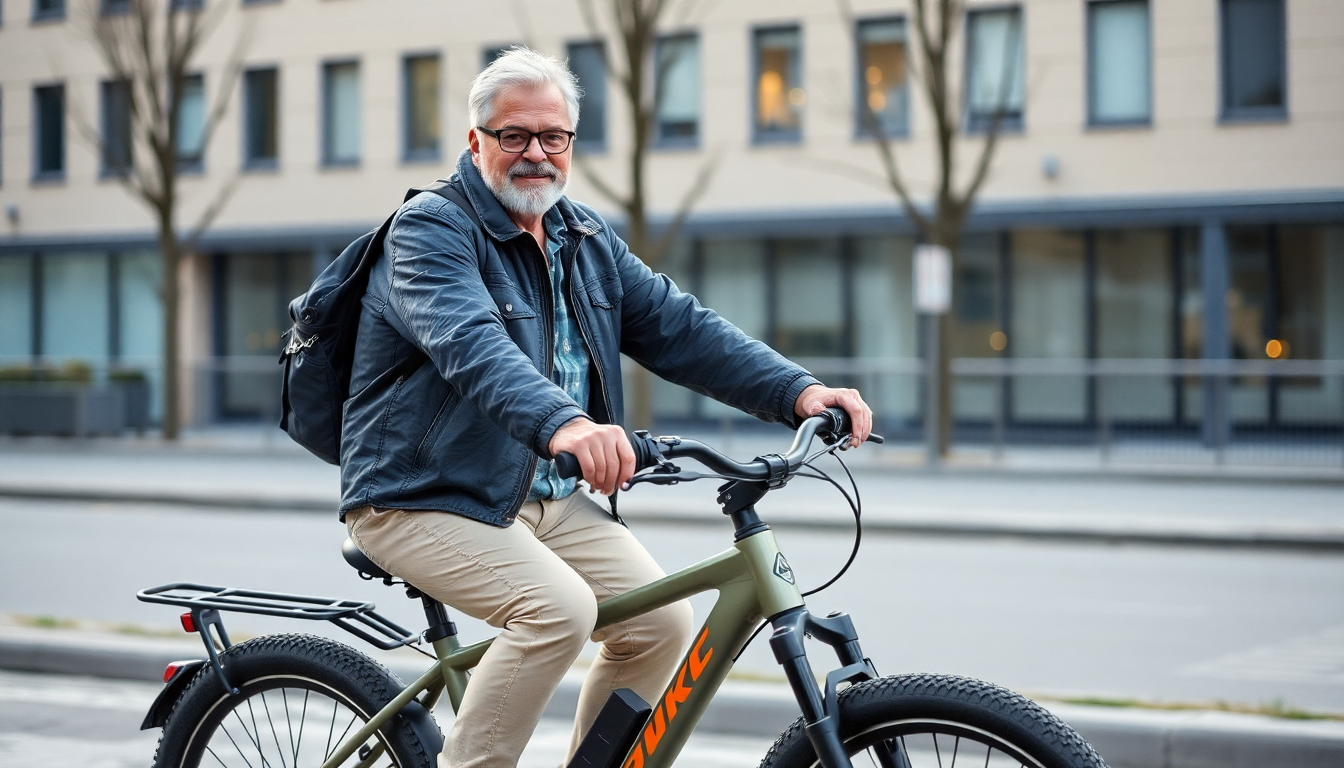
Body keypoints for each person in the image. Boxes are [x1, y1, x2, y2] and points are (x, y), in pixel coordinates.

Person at [338, 47, 873, 768]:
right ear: (476, 142)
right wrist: (569, 423)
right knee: (555, 612)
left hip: (544, 495)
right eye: (513, 136)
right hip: (420, 493)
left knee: (659, 624)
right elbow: (471, 344)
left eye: (552, 136)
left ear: (570, 143)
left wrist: (798, 391)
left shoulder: (581, 235)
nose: (536, 153)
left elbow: (681, 327)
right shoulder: (432, 230)